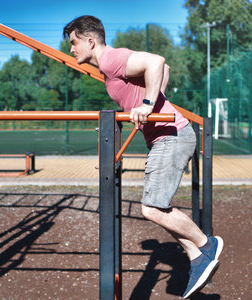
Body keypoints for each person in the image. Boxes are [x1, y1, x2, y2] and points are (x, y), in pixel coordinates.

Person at [63, 15, 223, 298]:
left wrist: (149, 103)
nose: (71, 50)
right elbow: (167, 70)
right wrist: (152, 101)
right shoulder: (107, 69)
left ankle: (207, 246)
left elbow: (158, 62)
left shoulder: (111, 59)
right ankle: (197, 258)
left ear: (90, 40)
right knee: (159, 208)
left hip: (172, 135)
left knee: (152, 208)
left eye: (74, 43)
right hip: (166, 135)